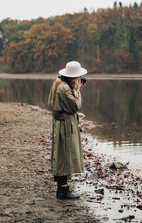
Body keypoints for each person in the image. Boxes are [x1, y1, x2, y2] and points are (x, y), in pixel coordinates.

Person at [47, 61, 87, 199]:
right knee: (64, 156)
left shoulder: (57, 83)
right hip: (65, 125)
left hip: (60, 122)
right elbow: (76, 106)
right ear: (74, 77)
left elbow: (51, 103)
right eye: (78, 76)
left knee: (60, 155)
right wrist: (77, 90)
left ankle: (62, 188)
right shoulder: (64, 89)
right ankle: (63, 191)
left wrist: (75, 89)